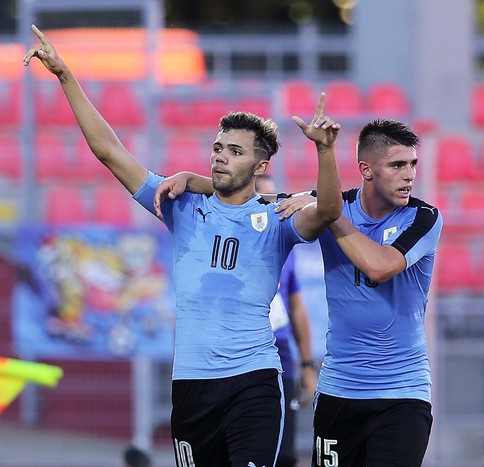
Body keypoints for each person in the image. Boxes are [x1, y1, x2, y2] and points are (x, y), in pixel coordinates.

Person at [24, 24, 342, 467]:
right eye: (217, 147)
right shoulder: (181, 205)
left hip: (254, 381)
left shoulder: (278, 216)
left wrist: (326, 153)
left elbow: (328, 210)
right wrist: (64, 77)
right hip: (190, 383)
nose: (219, 156)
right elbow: (110, 152)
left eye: (234, 150)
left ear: (261, 164)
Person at [155, 118, 443, 467]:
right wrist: (191, 180)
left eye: (413, 164)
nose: (410, 174)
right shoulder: (329, 204)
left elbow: (379, 266)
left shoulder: (423, 216)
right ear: (367, 170)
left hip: (402, 390)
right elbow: (250, 200)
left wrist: (327, 212)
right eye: (398, 165)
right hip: (339, 388)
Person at [256, 174, 317, 467]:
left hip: (281, 361)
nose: (271, 207)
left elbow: (296, 307)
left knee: (285, 455)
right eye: (262, 200)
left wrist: (306, 365)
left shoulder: (285, 250)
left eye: (274, 200)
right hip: (238, 360)